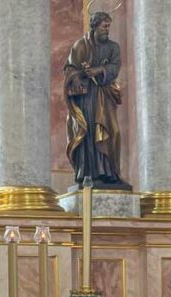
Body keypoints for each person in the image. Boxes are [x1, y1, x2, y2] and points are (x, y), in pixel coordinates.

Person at [64, 11, 126, 188]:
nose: (107, 29)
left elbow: (114, 68)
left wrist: (97, 70)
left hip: (104, 95)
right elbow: (69, 70)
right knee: (88, 133)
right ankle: (88, 172)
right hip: (86, 98)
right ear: (95, 26)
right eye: (104, 26)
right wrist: (80, 75)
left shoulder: (113, 47)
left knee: (112, 131)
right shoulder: (81, 46)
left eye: (108, 26)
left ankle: (110, 171)